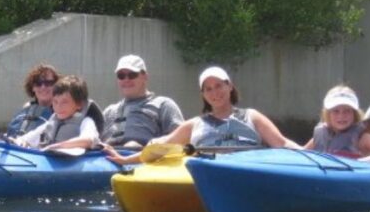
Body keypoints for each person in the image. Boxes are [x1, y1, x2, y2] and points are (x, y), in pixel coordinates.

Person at [105, 66, 299, 164]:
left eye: (219, 86)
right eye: (208, 89)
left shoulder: (252, 116)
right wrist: (125, 160)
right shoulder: (193, 125)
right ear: (203, 95)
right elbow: (162, 149)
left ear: (229, 86)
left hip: (247, 168)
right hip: (209, 173)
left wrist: (315, 156)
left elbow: (282, 144)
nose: (215, 93)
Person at [101, 55, 184, 148]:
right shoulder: (109, 111)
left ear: (145, 77)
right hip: (106, 158)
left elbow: (182, 139)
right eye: (121, 76)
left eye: (132, 75)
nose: (126, 80)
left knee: (131, 145)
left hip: (144, 159)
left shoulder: (163, 105)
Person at [304, 85, 370, 163]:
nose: (341, 116)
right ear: (327, 114)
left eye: (347, 111)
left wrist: (360, 162)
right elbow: (302, 152)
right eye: (336, 111)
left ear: (354, 113)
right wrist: (288, 143)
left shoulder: (364, 138)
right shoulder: (322, 134)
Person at [15, 75, 102, 151]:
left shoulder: (86, 121)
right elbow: (29, 137)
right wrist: (22, 141)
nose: (58, 107)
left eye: (64, 102)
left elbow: (88, 140)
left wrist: (58, 146)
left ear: (79, 104)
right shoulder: (52, 121)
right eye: (55, 102)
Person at [6, 64, 59, 137]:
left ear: (56, 86)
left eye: (48, 83)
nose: (43, 87)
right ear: (33, 88)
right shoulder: (28, 107)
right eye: (38, 83)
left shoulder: (61, 110)